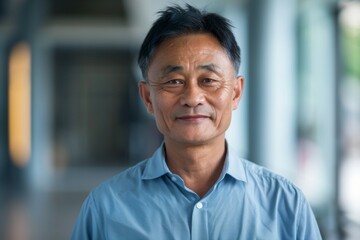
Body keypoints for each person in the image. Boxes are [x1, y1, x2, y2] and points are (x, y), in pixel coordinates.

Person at [71, 4, 322, 239]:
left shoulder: (286, 205)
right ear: (147, 97)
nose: (192, 98)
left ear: (235, 92)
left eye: (208, 80)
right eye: (174, 81)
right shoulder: (105, 208)